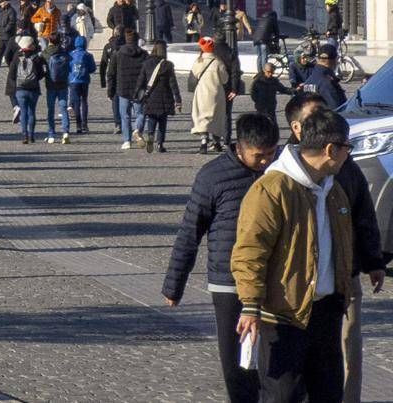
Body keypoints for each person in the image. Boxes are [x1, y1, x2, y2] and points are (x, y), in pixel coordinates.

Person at [232, 109, 360, 402]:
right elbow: (250, 250)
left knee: (328, 394)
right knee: (282, 396)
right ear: (331, 149)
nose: (348, 155)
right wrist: (250, 304)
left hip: (326, 311)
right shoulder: (272, 188)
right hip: (284, 314)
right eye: (347, 147)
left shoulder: (333, 189)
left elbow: (343, 243)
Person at [162, 113, 281, 403]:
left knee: (277, 358)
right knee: (237, 359)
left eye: (271, 153)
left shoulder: (281, 171)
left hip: (276, 278)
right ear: (240, 147)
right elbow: (191, 230)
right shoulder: (212, 176)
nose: (266, 161)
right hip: (228, 282)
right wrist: (174, 284)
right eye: (259, 155)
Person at [284, 93, 389, 403]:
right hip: (296, 284)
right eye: (314, 117)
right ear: (297, 127)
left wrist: (373, 260)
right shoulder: (282, 171)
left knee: (347, 345)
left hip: (344, 274)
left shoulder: (344, 163)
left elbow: (363, 211)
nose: (324, 122)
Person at [134, 41, 181, 153]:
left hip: (151, 96)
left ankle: (151, 135)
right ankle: (160, 144)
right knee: (162, 122)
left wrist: (136, 94)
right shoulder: (168, 65)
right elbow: (173, 84)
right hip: (165, 96)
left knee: (152, 118)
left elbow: (141, 81)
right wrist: (178, 99)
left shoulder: (147, 63)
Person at [105, 29, 148, 150]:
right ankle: (137, 129)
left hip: (122, 88)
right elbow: (148, 72)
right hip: (139, 89)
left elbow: (111, 74)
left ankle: (127, 140)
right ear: (137, 40)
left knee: (125, 116)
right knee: (140, 113)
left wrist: (110, 91)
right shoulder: (144, 54)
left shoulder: (118, 54)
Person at [191, 36, 231, 154]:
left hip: (202, 92)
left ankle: (203, 141)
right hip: (216, 92)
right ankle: (217, 142)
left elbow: (195, 73)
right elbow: (225, 79)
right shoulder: (218, 62)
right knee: (217, 117)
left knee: (202, 116)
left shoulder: (198, 61)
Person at [8, 36, 45, 143]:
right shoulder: (37, 58)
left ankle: (25, 135)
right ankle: (31, 135)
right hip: (33, 89)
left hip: (20, 89)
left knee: (23, 112)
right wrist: (34, 79)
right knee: (31, 112)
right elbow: (41, 74)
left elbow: (11, 75)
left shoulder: (17, 57)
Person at [40, 34, 71, 144]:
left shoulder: (46, 53)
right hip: (63, 84)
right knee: (63, 109)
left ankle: (51, 134)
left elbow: (40, 66)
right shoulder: (64, 52)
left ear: (49, 41)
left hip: (51, 84)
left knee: (51, 110)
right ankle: (65, 132)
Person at [66, 36, 96, 134]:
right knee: (84, 101)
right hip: (84, 81)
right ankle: (84, 125)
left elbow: (68, 67)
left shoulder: (70, 54)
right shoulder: (88, 55)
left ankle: (78, 125)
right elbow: (92, 68)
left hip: (73, 81)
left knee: (76, 103)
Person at [249, 63, 293, 129]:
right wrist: (259, 101)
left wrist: (294, 90)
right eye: (268, 72)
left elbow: (283, 89)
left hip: (271, 108)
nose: (270, 74)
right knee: (261, 127)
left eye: (272, 72)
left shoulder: (274, 81)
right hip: (261, 108)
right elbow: (253, 93)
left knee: (273, 128)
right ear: (264, 70)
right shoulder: (257, 81)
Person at [303, 45, 347, 110]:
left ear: (318, 59)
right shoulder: (327, 82)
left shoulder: (308, 81)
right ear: (334, 60)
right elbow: (338, 109)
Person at [252, 10, 281, 75]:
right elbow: (276, 31)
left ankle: (260, 73)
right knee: (264, 57)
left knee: (259, 57)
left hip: (256, 40)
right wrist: (276, 42)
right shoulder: (272, 19)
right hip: (264, 40)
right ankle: (265, 73)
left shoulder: (262, 18)